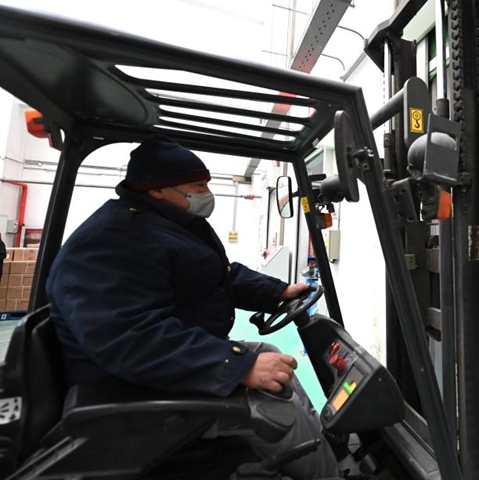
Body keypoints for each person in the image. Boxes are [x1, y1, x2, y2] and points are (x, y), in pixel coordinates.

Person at [46, 135, 339, 479]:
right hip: (128, 390)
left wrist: (278, 290)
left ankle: (320, 441)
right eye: (197, 186)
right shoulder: (113, 240)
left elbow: (219, 275)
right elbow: (130, 337)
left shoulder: (169, 223)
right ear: (156, 189)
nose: (206, 194)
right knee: (276, 406)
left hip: (162, 368)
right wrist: (235, 365)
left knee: (269, 353)